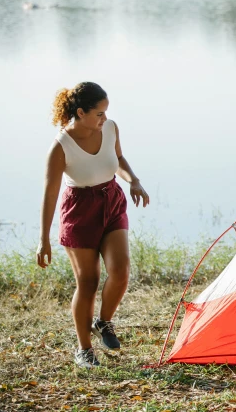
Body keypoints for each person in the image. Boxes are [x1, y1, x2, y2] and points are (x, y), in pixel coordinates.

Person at [35, 82, 149, 368]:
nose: (104, 119)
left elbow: (118, 158)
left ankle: (104, 322)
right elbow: (50, 194)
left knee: (120, 271)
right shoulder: (60, 146)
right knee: (88, 282)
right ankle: (84, 350)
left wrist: (133, 179)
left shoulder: (109, 129)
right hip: (79, 209)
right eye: (98, 114)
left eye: (106, 112)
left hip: (111, 201)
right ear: (81, 112)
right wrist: (44, 239)